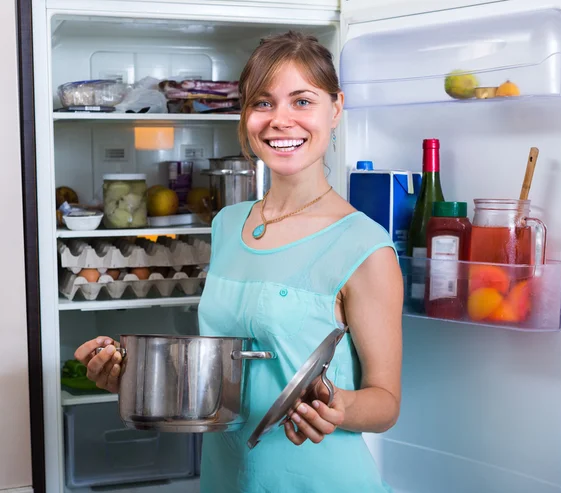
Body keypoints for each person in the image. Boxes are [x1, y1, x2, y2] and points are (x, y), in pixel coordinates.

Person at [75, 31, 403, 493]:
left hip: (319, 480)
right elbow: (225, 370)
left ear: (336, 108)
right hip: (228, 479)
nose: (280, 121)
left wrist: (339, 407)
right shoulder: (228, 224)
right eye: (262, 103)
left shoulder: (364, 246)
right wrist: (133, 375)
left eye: (302, 101)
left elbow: (386, 401)